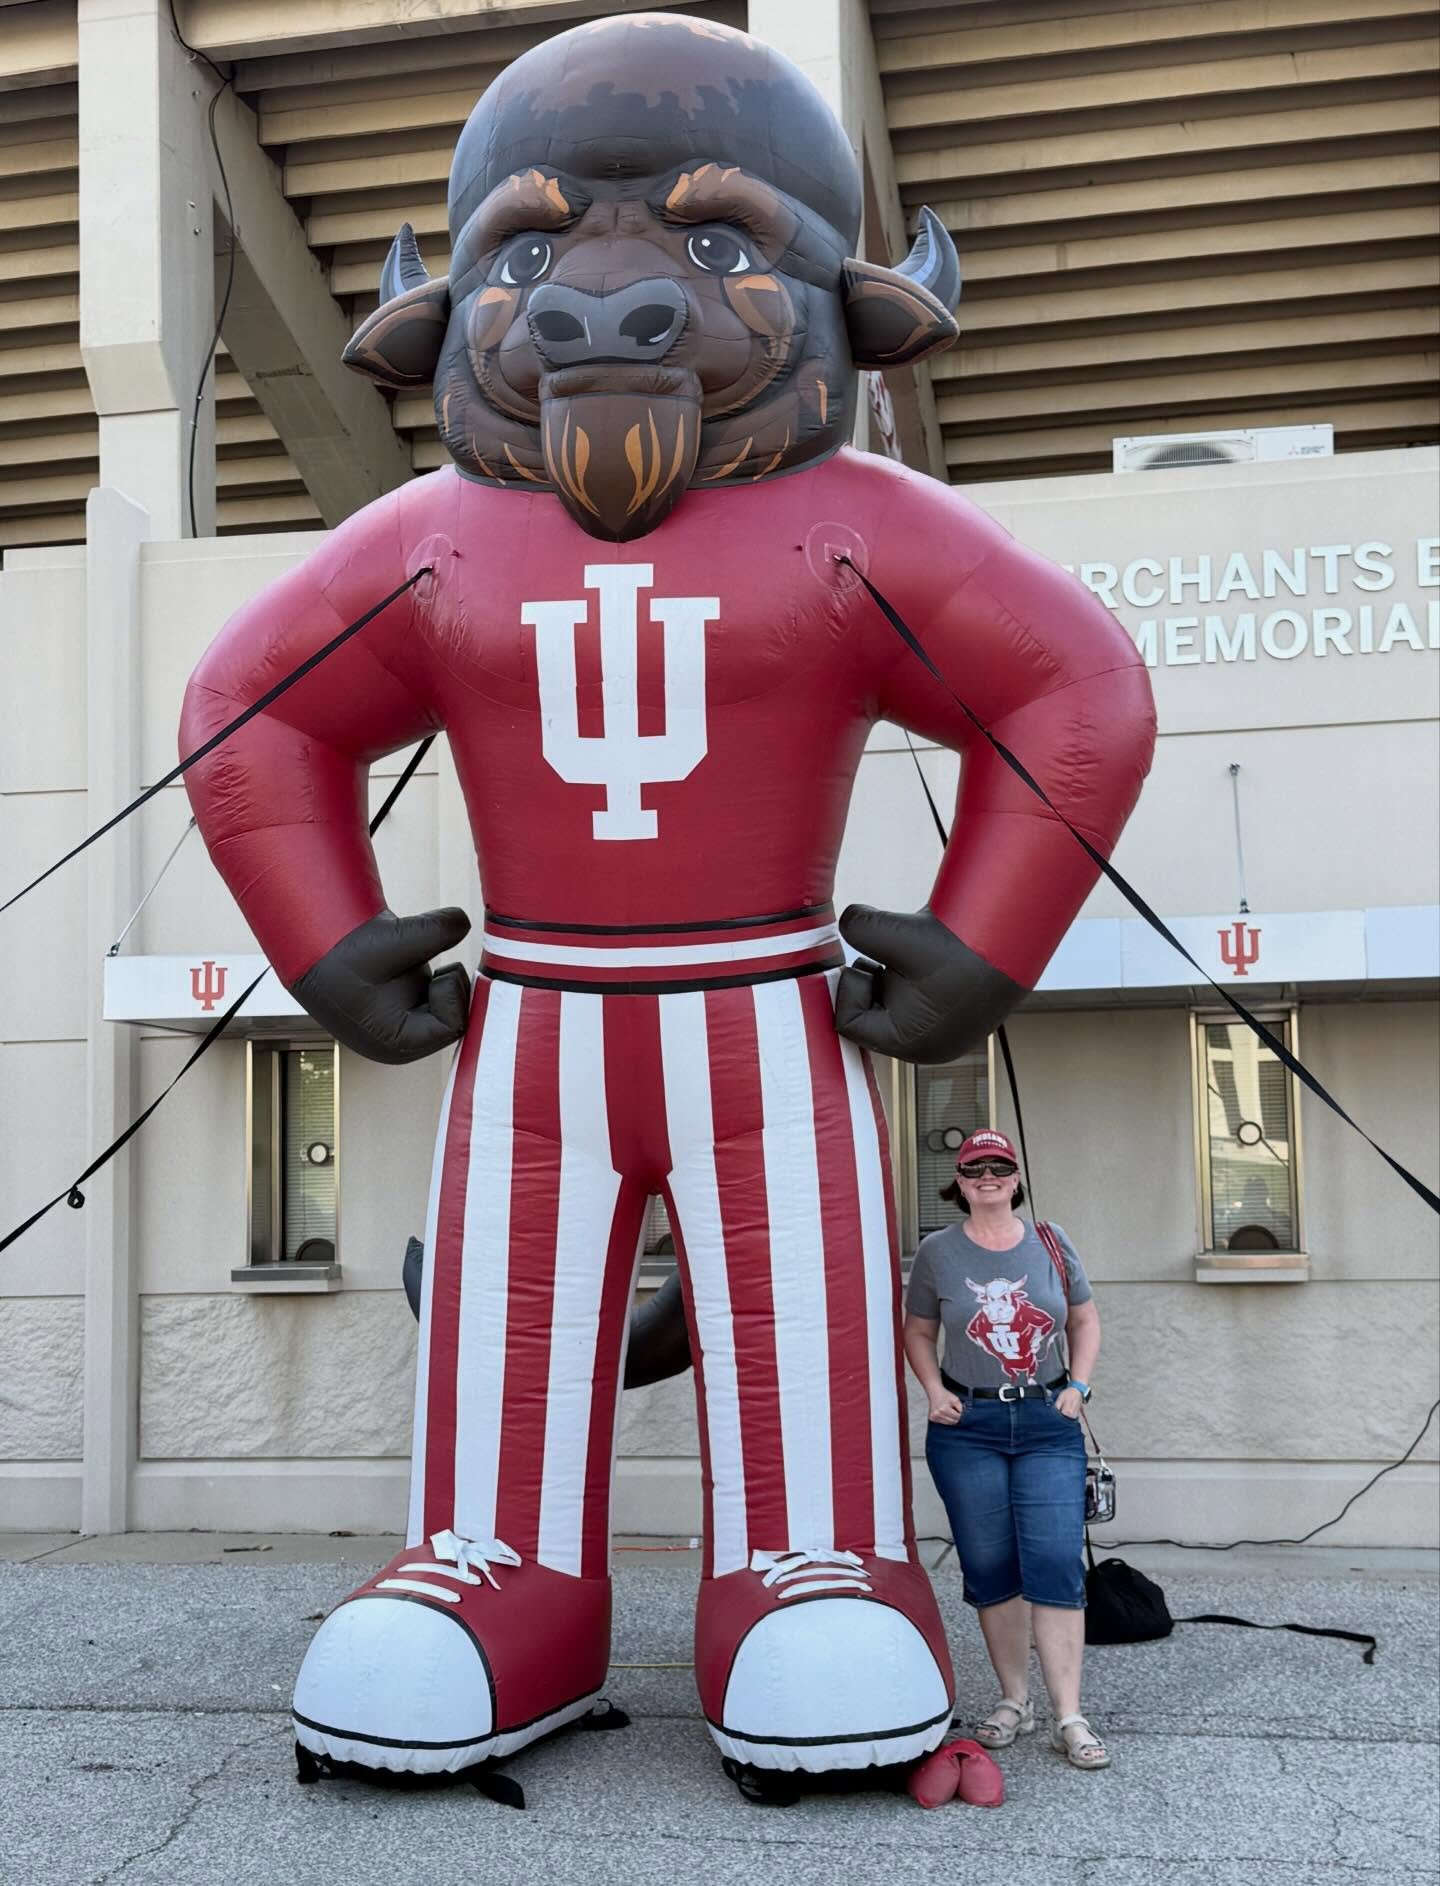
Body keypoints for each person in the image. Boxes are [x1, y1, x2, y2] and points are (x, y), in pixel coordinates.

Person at [904, 1129, 1110, 1771]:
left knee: (1054, 1560)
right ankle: (1013, 1701)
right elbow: (917, 1330)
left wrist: (1077, 1385)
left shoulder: (1051, 1240)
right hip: (968, 1427)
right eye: (975, 1168)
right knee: (992, 1567)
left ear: (1016, 1178)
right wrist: (933, 1390)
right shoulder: (937, 1251)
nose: (987, 1176)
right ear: (960, 1183)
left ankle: (1069, 1717)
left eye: (999, 1167)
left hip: (1048, 1423)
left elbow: (1084, 1318)